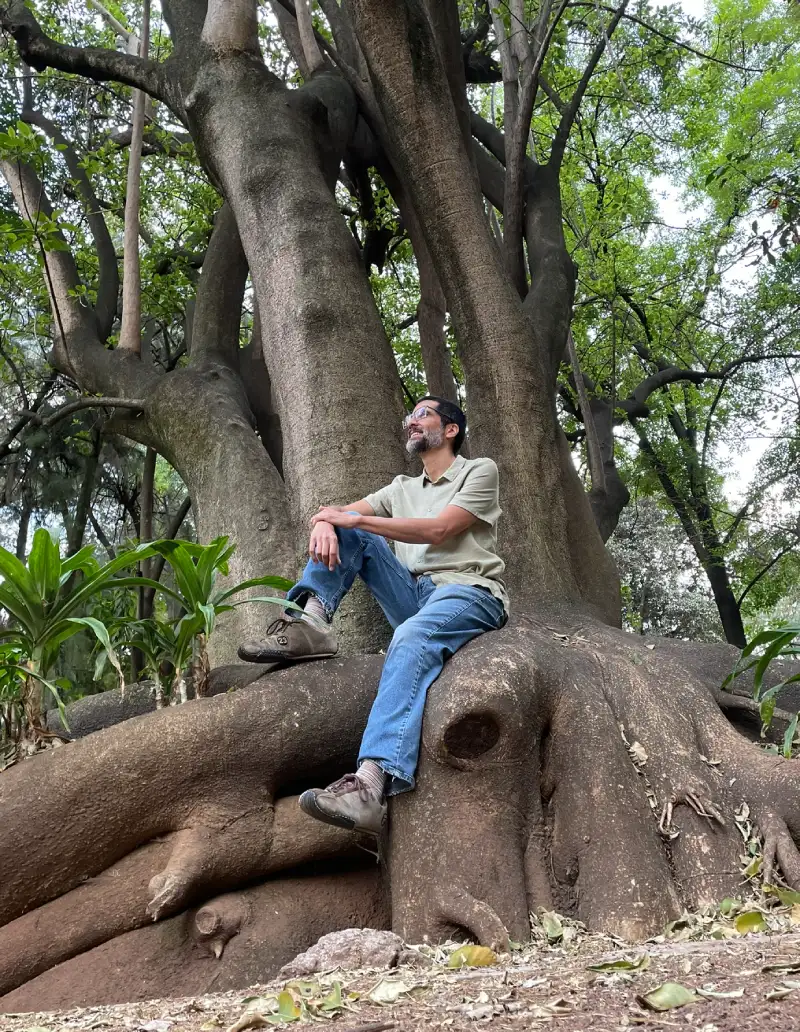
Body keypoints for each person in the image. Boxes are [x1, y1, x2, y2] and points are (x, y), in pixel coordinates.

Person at [238, 396, 509, 836]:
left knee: (410, 636)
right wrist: (326, 522)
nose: (411, 422)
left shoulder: (479, 471)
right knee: (350, 530)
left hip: (467, 591)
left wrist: (350, 520)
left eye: (422, 414)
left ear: (451, 429)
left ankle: (369, 786)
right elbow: (340, 516)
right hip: (414, 593)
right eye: (409, 416)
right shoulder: (400, 488)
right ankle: (311, 622)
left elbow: (439, 529)